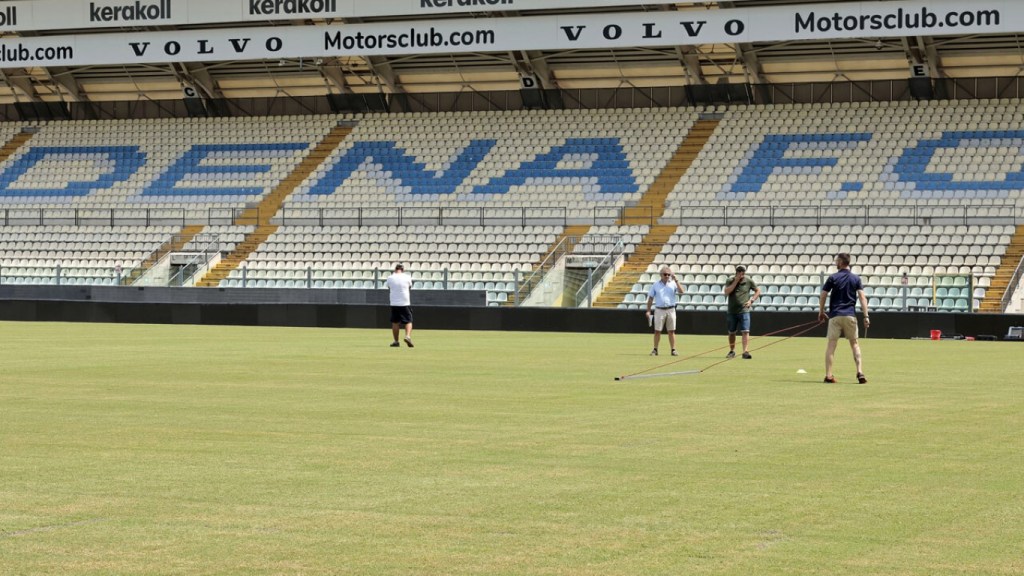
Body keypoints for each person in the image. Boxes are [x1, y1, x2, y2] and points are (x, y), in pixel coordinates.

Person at [818, 253, 870, 383]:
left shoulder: (833, 277)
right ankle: (860, 372)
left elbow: (823, 295)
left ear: (841, 262)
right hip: (850, 315)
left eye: (837, 261)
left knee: (831, 345)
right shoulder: (855, 278)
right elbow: (862, 297)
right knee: (854, 344)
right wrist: (866, 316)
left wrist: (821, 311)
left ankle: (829, 375)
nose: (836, 263)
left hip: (835, 315)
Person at [645, 266, 685, 356]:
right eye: (665, 274)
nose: (667, 276)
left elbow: (682, 292)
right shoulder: (656, 285)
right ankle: (655, 349)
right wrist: (648, 310)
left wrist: (676, 280)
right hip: (659, 310)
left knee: (671, 331)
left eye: (668, 274)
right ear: (661, 275)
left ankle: (673, 349)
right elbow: (650, 298)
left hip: (671, 309)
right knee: (657, 331)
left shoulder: (673, 283)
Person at [724, 265, 761, 359]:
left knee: (745, 331)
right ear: (736, 273)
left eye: (743, 274)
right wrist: (735, 281)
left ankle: (745, 352)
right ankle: (732, 351)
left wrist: (751, 301)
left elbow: (758, 291)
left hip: (744, 310)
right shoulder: (730, 280)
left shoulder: (748, 281)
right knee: (732, 332)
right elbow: (727, 292)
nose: (742, 276)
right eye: (740, 274)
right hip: (732, 311)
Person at [386, 263, 414, 348]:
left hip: (394, 302)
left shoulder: (390, 277)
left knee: (395, 322)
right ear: (403, 270)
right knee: (408, 321)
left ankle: (396, 341)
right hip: (405, 302)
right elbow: (409, 287)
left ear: (395, 269)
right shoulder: (407, 277)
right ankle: (407, 336)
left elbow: (389, 287)